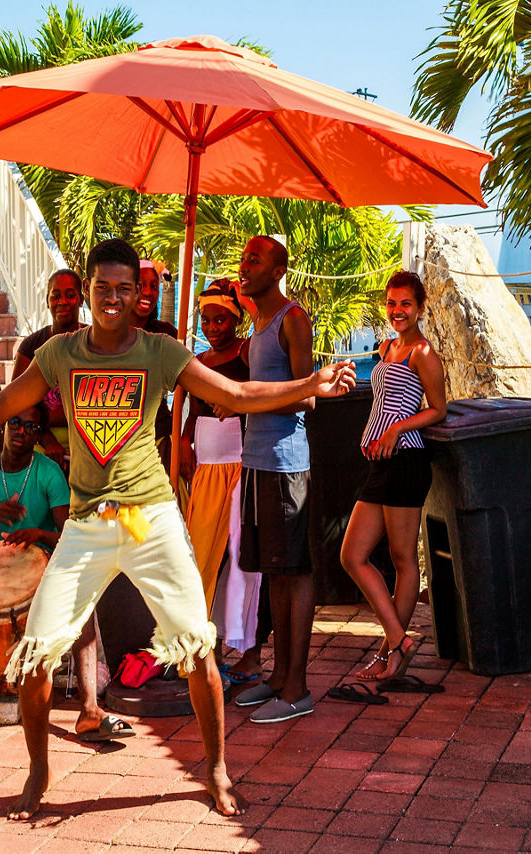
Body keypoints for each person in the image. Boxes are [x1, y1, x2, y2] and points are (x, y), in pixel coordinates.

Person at [0, 237, 357, 819]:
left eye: (125, 288)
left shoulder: (159, 351)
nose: (113, 298)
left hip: (152, 520)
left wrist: (309, 385)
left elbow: (235, 392)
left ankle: (216, 769)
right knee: (36, 656)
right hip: (86, 525)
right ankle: (39, 771)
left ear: (135, 295)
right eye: (103, 287)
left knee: (197, 649)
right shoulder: (61, 353)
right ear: (89, 289)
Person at [334, 271, 446, 686]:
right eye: (391, 303)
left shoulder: (423, 352)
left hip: (406, 461)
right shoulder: (387, 347)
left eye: (406, 304)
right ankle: (399, 641)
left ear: (420, 308)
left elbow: (438, 409)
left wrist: (396, 429)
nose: (397, 311)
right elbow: (383, 400)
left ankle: (390, 652)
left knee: (402, 560)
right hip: (381, 464)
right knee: (352, 555)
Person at [231, 236, 320, 725]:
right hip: (256, 461)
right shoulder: (257, 322)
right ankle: (281, 675)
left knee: (294, 572)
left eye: (255, 259)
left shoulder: (292, 319)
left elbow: (308, 396)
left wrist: (246, 397)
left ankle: (299, 688)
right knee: (272, 571)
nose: (244, 266)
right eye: (244, 258)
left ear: (278, 270)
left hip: (286, 463)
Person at [176, 280, 264, 682]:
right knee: (199, 556)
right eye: (206, 320)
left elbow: (260, 393)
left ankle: (247, 649)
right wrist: (184, 440)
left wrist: (237, 404)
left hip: (241, 465)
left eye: (221, 319)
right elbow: (194, 411)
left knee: (243, 559)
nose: (212, 327)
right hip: (207, 468)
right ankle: (195, 646)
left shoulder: (246, 351)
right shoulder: (197, 361)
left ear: (236, 318)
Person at [11, 269, 87, 465]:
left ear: (81, 299)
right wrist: (49, 441)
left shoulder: (94, 342)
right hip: (42, 443)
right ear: (47, 301)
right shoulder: (31, 346)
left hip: (88, 445)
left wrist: (46, 417)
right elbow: (18, 406)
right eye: (56, 296)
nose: (62, 302)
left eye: (70, 295)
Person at [130, 259, 180, 470]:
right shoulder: (108, 334)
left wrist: (179, 435)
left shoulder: (166, 334)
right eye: (140, 285)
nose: (148, 292)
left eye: (154, 286)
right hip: (116, 444)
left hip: (158, 440)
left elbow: (187, 384)